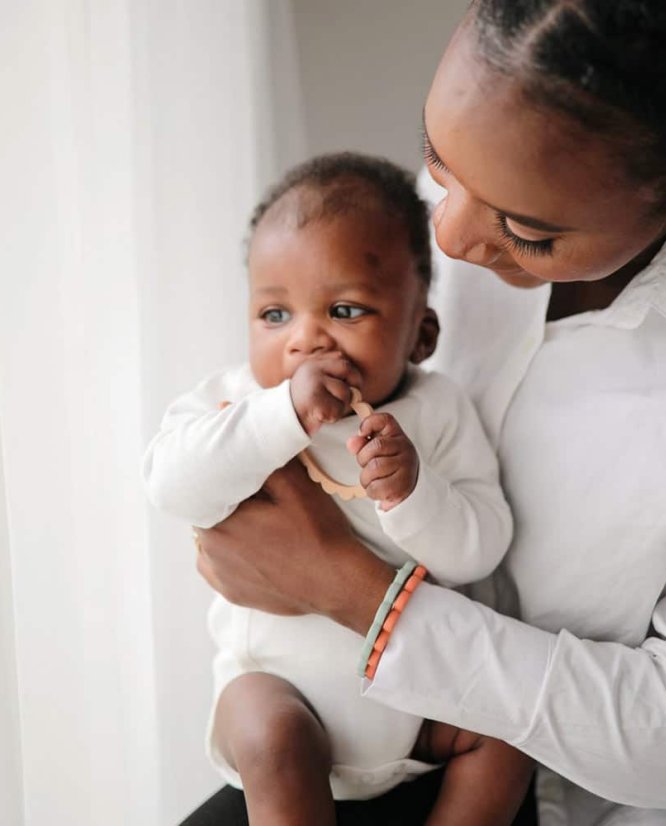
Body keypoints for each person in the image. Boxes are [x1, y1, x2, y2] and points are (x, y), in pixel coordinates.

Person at [187, 1, 666, 824]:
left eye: (526, 230)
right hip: (340, 733)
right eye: (439, 160)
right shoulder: (474, 184)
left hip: (599, 797)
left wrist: (348, 587)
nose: (450, 237)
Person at [144, 153, 536, 825]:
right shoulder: (234, 405)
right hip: (283, 695)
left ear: (421, 333)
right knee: (269, 736)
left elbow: (481, 548)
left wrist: (411, 495)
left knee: (511, 737)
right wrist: (279, 418)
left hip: (418, 711)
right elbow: (170, 485)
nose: (304, 340)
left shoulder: (437, 412)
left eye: (345, 309)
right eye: (274, 314)